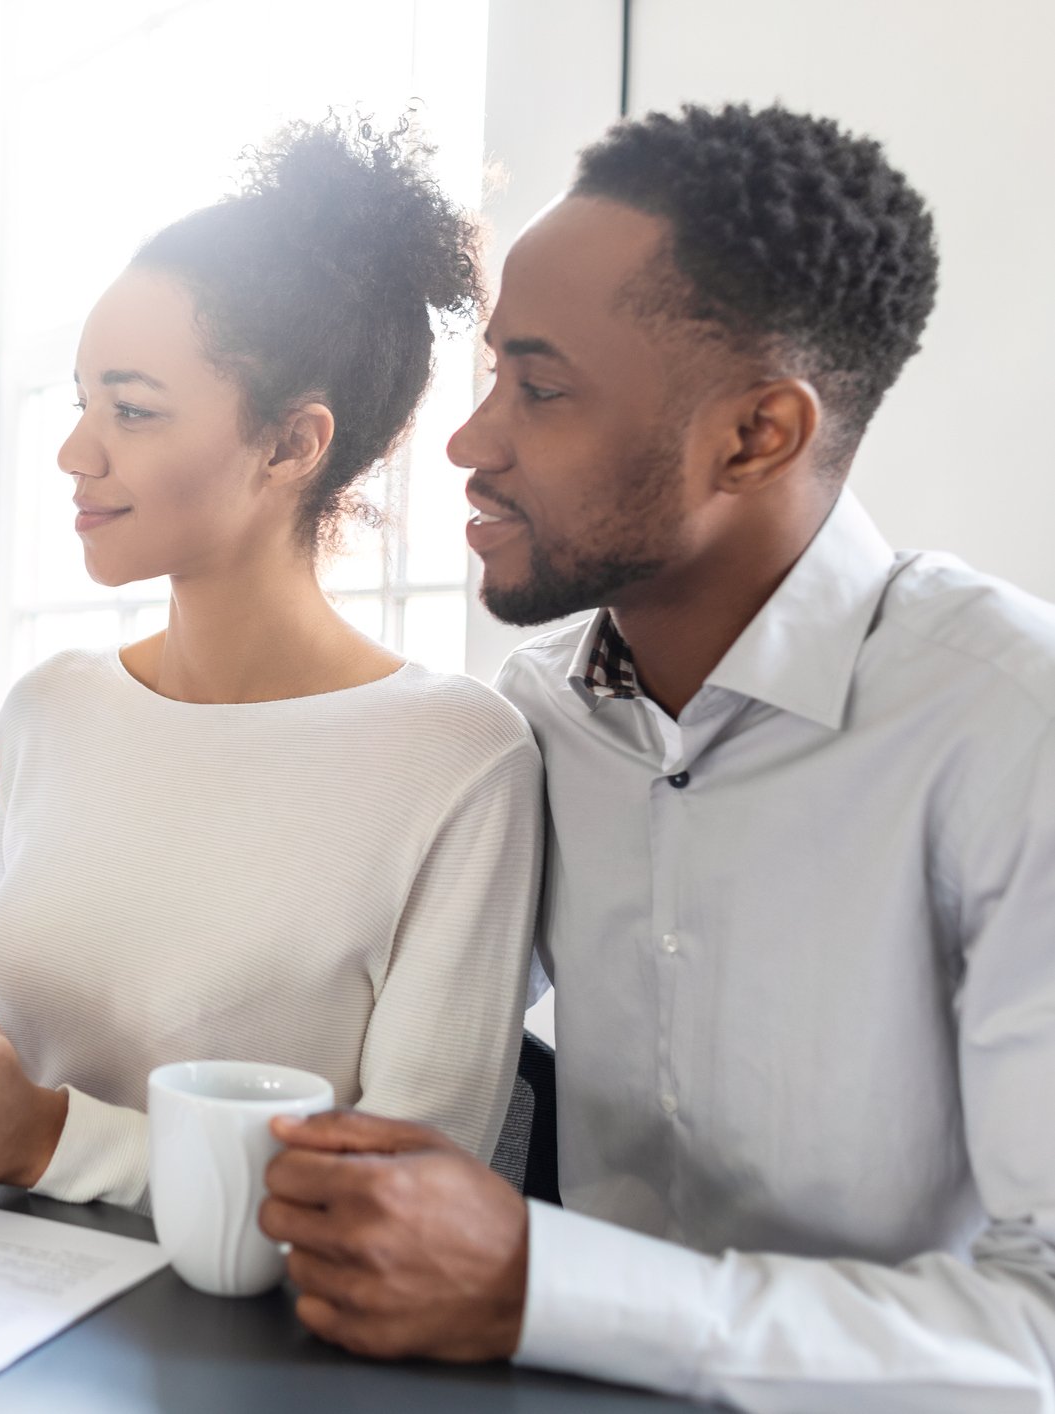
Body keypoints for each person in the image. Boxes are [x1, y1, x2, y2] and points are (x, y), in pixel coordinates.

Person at [250, 104, 1054, 1411]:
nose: (472, 440)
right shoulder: (537, 716)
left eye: (542, 386)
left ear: (758, 436)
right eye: (493, 372)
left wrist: (539, 1281)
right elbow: (341, 1003)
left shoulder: (1014, 730)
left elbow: (1041, 1329)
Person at [0, 116, 543, 1199]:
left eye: (131, 409)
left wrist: (45, 1138)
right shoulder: (49, 709)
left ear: (292, 443)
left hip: (244, 1349)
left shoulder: (457, 760)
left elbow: (411, 1193)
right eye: (84, 399)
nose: (75, 452)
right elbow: (25, 1085)